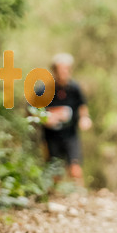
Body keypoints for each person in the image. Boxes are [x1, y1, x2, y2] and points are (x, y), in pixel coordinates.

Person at [40, 53, 92, 185]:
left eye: (67, 69)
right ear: (54, 70)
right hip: (51, 137)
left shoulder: (74, 88)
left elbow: (82, 106)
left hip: (71, 135)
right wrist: (45, 119)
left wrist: (84, 118)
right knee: (55, 171)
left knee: (75, 168)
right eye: (61, 69)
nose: (65, 72)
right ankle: (55, 197)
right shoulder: (44, 89)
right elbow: (31, 111)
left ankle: (79, 195)